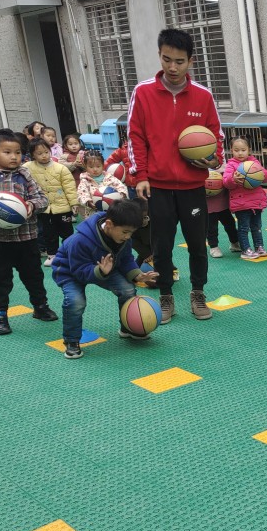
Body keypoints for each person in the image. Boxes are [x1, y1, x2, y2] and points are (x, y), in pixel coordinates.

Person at [127, 27, 222, 324]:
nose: (172, 67)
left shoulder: (203, 96)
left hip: (193, 186)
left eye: (179, 61)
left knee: (197, 244)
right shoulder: (143, 92)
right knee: (161, 246)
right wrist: (141, 175)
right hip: (158, 186)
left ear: (190, 61)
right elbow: (135, 136)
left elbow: (216, 137)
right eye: (166, 59)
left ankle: (198, 292)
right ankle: (166, 295)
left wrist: (212, 160)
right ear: (159, 55)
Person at [0, 128, 59, 335]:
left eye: (18, 152)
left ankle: (40, 306)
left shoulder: (25, 174)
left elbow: (42, 198)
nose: (14, 157)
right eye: (7, 152)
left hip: (26, 237)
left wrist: (32, 205)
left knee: (33, 275)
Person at [51, 200, 159, 359]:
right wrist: (100, 271)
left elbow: (126, 259)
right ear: (109, 224)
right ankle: (71, 340)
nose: (128, 236)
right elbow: (79, 271)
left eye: (131, 233)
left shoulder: (123, 237)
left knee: (127, 290)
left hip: (104, 268)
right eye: (125, 232)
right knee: (75, 302)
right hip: (70, 271)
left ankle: (128, 328)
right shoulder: (80, 240)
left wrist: (137, 274)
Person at [24, 137, 78, 267]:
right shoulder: (27, 168)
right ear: (33, 155)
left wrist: (74, 204)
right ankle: (52, 255)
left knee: (67, 233)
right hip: (44, 208)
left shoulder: (61, 168)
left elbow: (69, 187)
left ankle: (69, 254)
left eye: (46, 152)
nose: (44, 156)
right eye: (39, 153)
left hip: (63, 207)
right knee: (48, 233)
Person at [222, 136, 267, 259]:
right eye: (236, 150)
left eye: (243, 150)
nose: (240, 153)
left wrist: (261, 173)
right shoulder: (231, 165)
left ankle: (259, 246)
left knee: (257, 227)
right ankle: (245, 249)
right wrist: (233, 179)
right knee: (243, 228)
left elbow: (266, 177)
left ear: (249, 150)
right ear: (231, 151)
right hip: (241, 203)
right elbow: (226, 182)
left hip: (256, 202)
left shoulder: (254, 163)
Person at [76, 151, 128, 219]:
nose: (95, 169)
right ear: (85, 166)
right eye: (91, 167)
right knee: (97, 225)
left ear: (103, 166)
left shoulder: (109, 177)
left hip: (113, 210)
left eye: (98, 166)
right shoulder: (85, 180)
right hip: (94, 212)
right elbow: (81, 193)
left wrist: (122, 194)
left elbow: (120, 186)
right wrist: (88, 201)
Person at [206, 182, 239, 257]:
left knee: (230, 224)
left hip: (223, 204)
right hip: (209, 206)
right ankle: (213, 247)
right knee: (211, 228)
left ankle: (235, 243)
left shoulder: (225, 173)